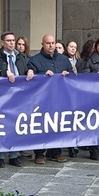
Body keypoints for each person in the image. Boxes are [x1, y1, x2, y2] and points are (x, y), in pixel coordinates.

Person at [26, 34, 70, 164]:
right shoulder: (34, 60)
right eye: (48, 43)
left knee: (57, 125)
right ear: (42, 44)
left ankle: (56, 152)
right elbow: (30, 77)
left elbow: (73, 77)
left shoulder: (64, 59)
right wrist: (42, 76)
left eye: (52, 43)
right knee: (41, 126)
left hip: (59, 98)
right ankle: (39, 153)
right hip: (42, 100)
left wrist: (67, 75)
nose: (50, 45)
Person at [0, 31, 28, 168]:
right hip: (2, 96)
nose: (11, 43)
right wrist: (4, 73)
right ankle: (0, 156)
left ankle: (14, 155)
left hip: (18, 96)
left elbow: (29, 67)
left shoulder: (21, 56)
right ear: (2, 42)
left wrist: (31, 70)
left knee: (15, 125)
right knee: (2, 125)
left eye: (13, 40)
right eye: (8, 40)